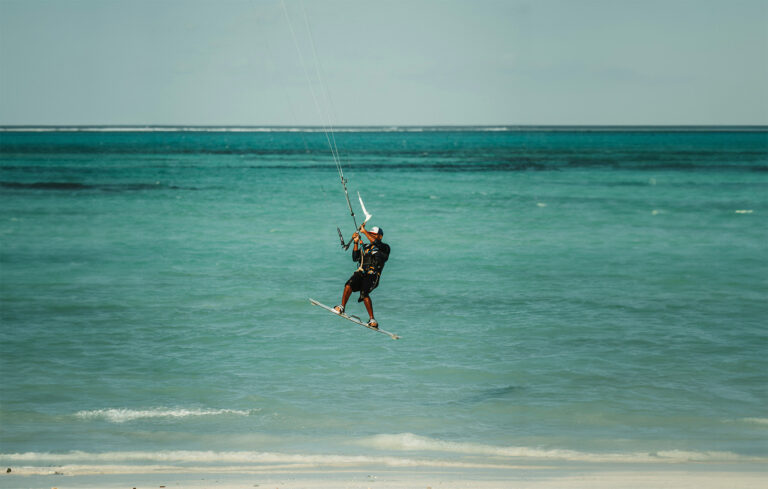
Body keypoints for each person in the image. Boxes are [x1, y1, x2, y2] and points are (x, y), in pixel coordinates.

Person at [333, 223, 390, 328]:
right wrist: (355, 243)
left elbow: (376, 242)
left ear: (380, 236)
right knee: (348, 285)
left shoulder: (384, 247)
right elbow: (355, 258)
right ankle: (342, 307)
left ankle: (372, 319)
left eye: (373, 234)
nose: (370, 235)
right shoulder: (366, 247)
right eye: (370, 233)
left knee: (364, 293)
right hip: (361, 272)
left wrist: (364, 231)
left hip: (373, 275)